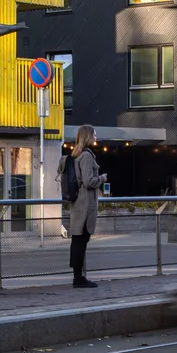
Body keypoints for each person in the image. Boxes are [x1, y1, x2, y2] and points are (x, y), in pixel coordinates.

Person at [68, 124, 106, 289]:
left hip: (77, 203)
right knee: (81, 241)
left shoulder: (76, 154)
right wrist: (103, 178)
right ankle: (78, 278)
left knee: (78, 240)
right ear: (88, 136)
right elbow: (89, 181)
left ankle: (78, 277)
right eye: (94, 134)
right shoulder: (87, 156)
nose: (96, 137)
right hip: (85, 205)